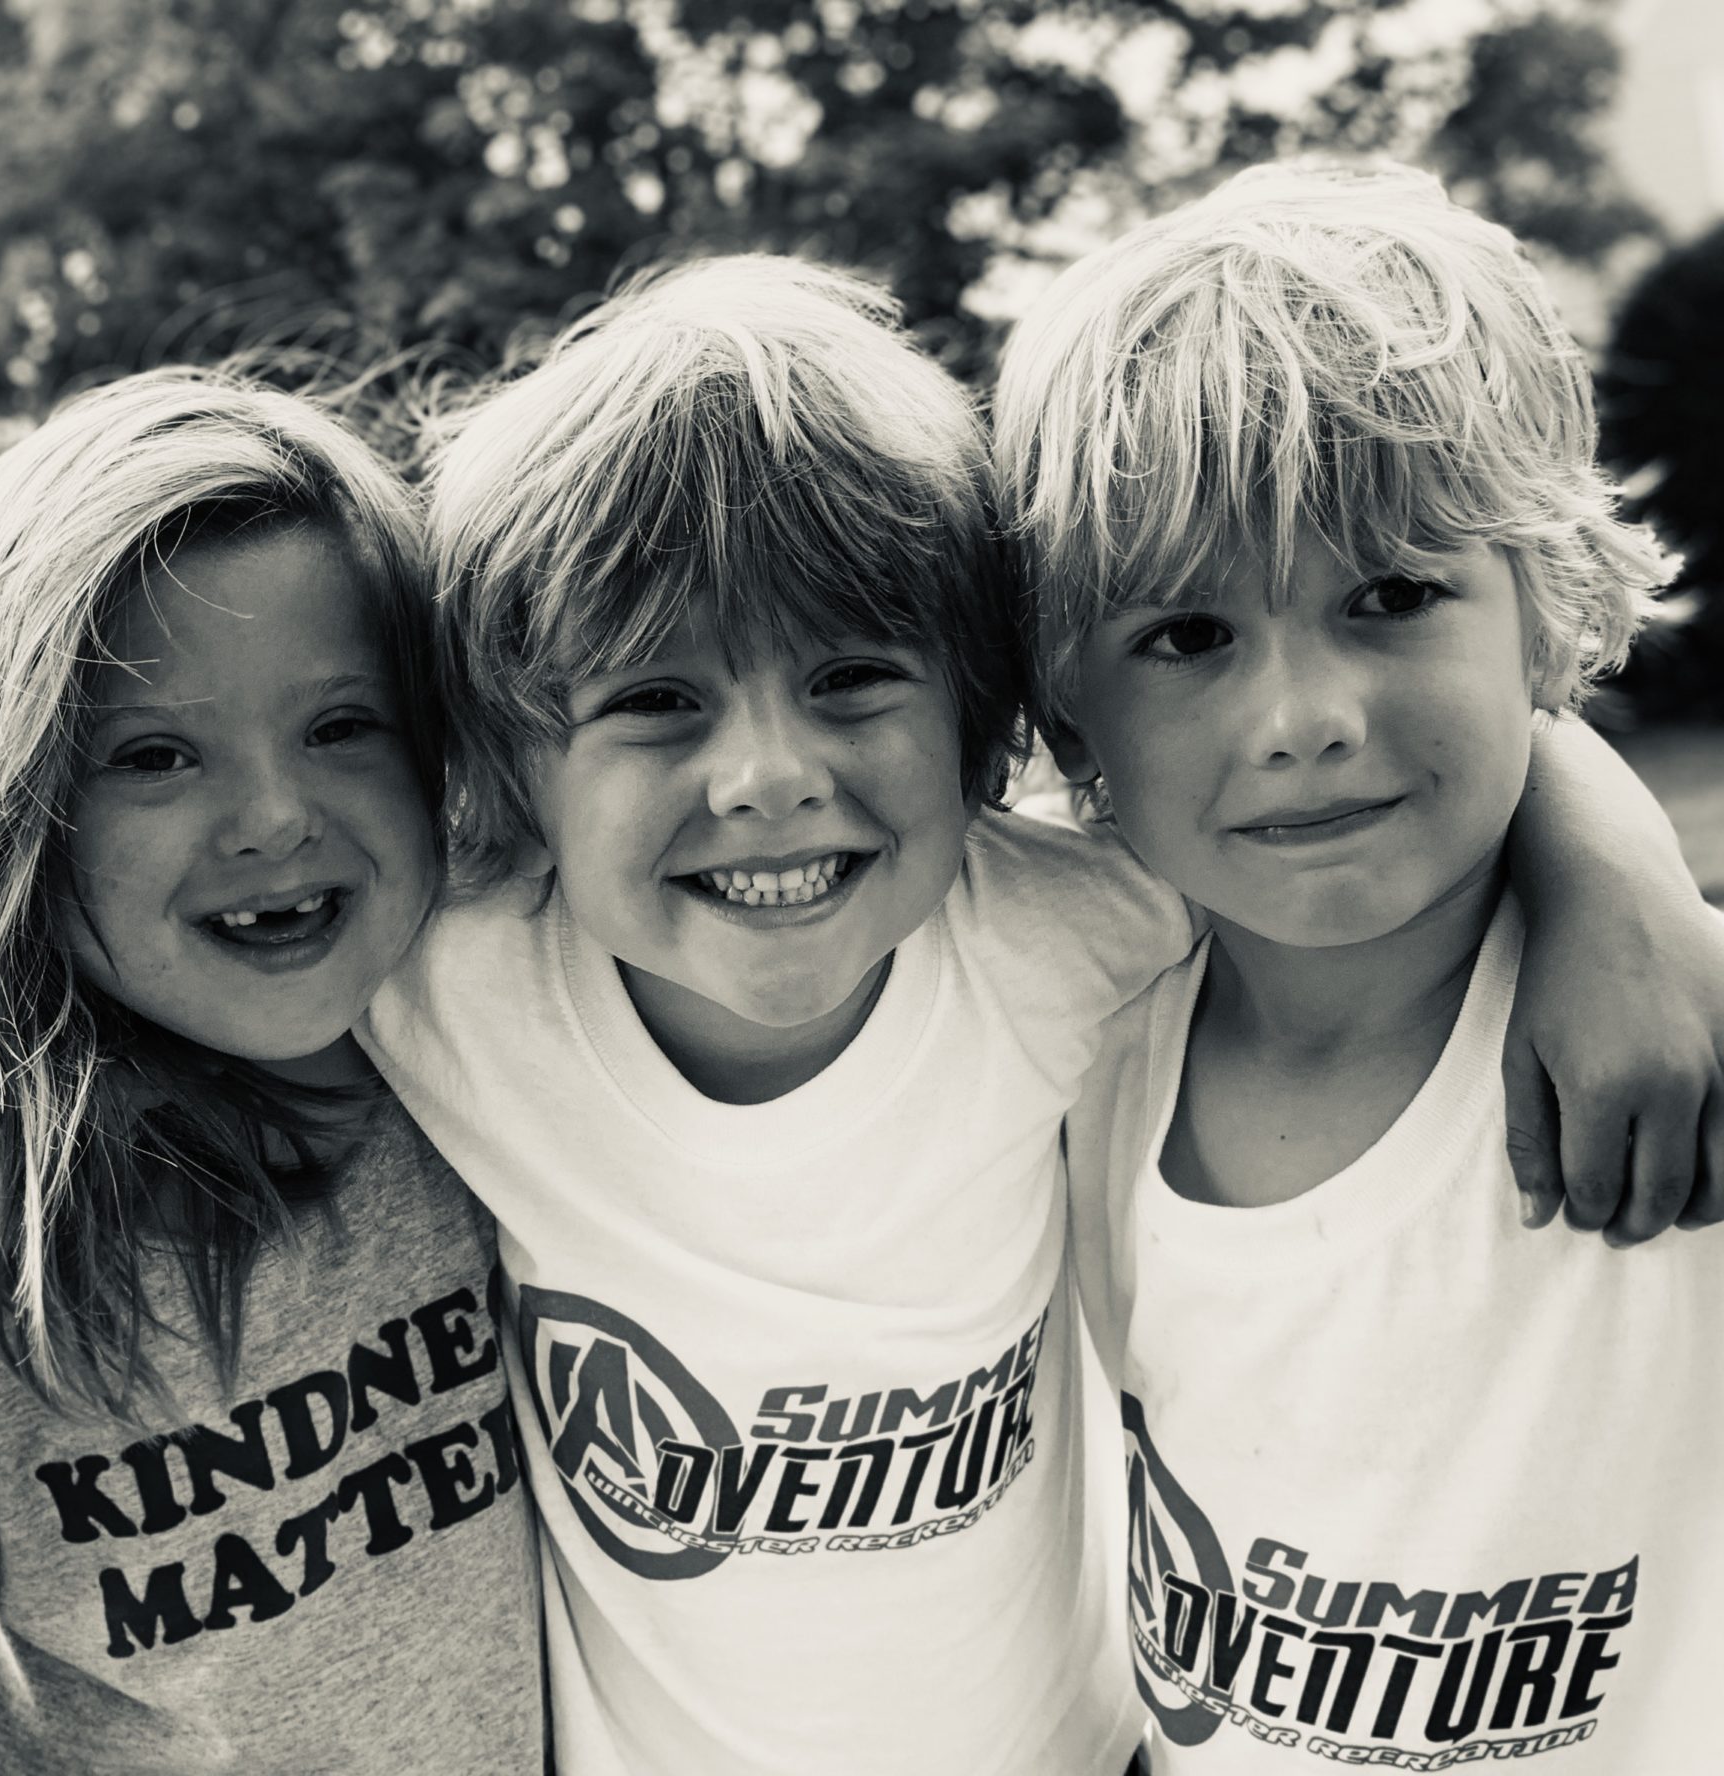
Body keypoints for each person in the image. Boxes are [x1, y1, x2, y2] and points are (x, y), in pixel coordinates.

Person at [365, 253, 1724, 1776]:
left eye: (853, 677)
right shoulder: (439, 988)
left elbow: (1380, 744)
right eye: (654, 701)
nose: (767, 779)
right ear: (510, 759)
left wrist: (1624, 895)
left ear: (988, 721)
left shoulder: (1067, 932)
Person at [994, 160, 1724, 1771]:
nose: (1304, 719)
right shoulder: (1064, 1042)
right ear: (1069, 717)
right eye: (1188, 637)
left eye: (1391, 596)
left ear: (1548, 609)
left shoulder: (1688, 1056)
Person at [0, 369, 545, 1776]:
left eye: (341, 726)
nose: (274, 816)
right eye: (156, 755)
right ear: (9, 808)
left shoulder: (510, 1077)